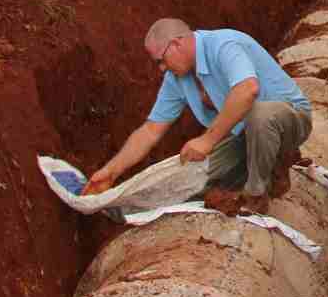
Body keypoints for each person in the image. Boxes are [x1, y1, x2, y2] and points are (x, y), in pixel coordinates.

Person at [83, 18, 313, 216]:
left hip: (288, 120)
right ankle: (255, 169)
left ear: (176, 44)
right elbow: (151, 130)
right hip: (242, 135)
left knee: (260, 114)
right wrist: (110, 172)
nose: (161, 68)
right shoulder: (177, 78)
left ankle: (257, 193)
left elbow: (247, 90)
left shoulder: (223, 44)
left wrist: (207, 141)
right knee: (190, 182)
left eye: (160, 60)